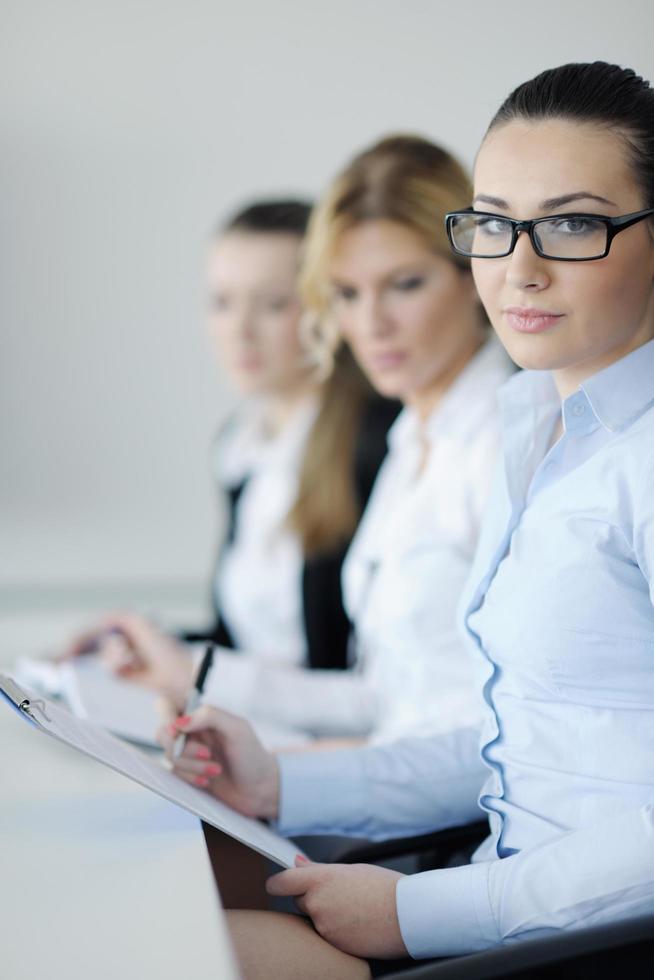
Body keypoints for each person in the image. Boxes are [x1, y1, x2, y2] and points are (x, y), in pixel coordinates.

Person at [160, 60, 654, 979]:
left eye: (574, 223)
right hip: (504, 891)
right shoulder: (535, 433)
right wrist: (279, 781)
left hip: (584, 938)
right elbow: (509, 739)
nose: (522, 268)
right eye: (497, 226)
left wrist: (421, 911)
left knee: (174, 941)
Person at [72, 137, 513, 747]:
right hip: (377, 781)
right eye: (348, 294)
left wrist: (291, 772)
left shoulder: (474, 439)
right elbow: (389, 697)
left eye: (405, 284)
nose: (370, 323)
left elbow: (496, 731)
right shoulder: (415, 436)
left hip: (434, 813)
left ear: (474, 273)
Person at [65, 201, 398, 703]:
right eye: (221, 301)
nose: (239, 329)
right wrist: (153, 647)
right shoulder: (241, 447)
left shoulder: (376, 445)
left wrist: (195, 672)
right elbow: (249, 645)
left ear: (325, 311)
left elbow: (369, 682)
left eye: (272, 304)